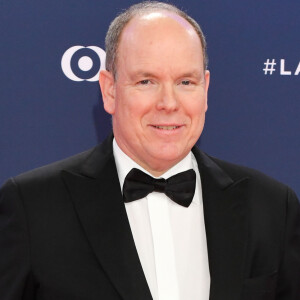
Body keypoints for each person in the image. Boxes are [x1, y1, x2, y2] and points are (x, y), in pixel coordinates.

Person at [0, 2, 299, 300]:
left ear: (205, 90)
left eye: (185, 82)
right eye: (146, 81)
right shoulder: (34, 207)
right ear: (109, 91)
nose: (168, 103)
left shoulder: (272, 208)